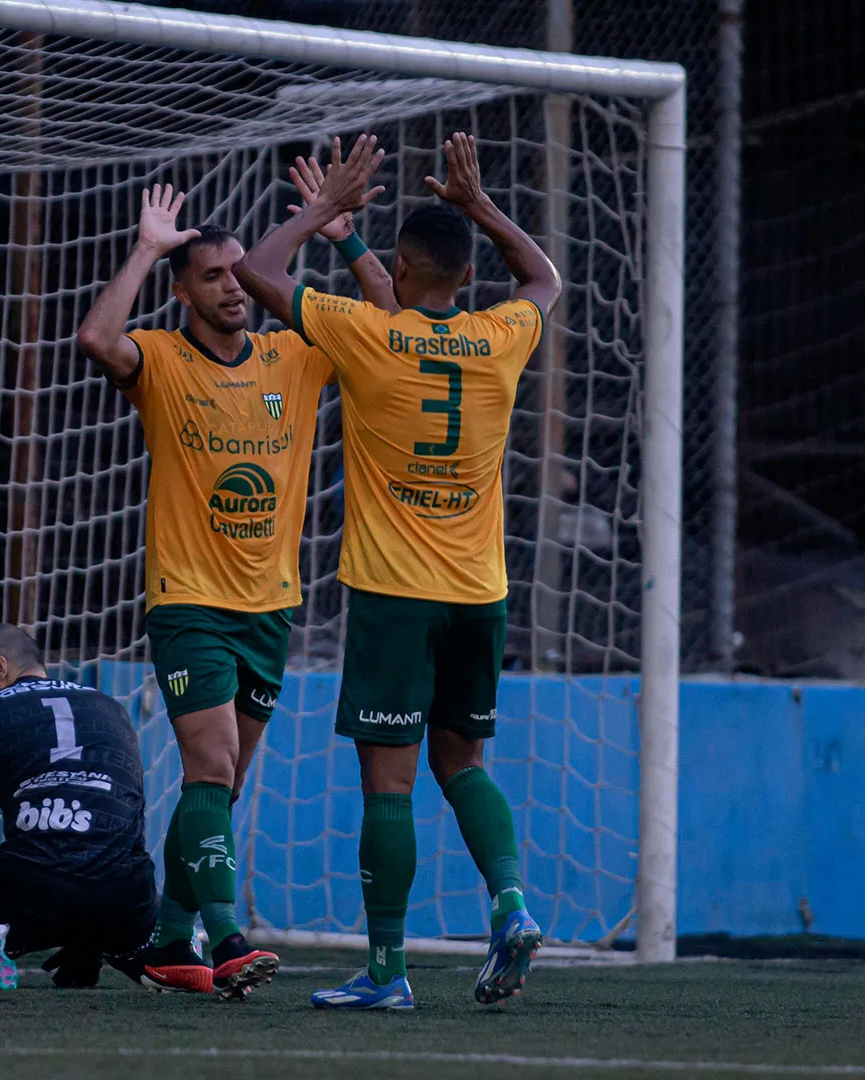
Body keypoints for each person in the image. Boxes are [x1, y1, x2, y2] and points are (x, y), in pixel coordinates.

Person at [234, 132, 563, 1010]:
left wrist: (319, 213)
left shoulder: (369, 337)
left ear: (404, 266)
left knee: (389, 784)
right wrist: (479, 206)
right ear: (461, 274)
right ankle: (513, 902)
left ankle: (387, 972)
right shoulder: (501, 337)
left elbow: (258, 270)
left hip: (393, 595)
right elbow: (544, 281)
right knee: (465, 762)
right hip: (481, 595)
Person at [73, 169, 394, 998]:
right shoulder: (164, 357)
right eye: (211, 275)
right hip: (189, 603)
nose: (232, 288)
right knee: (212, 768)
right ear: (183, 290)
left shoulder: (298, 352)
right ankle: (225, 940)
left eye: (237, 272)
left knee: (221, 785)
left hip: (270, 609)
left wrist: (345, 239)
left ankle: (167, 942)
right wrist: (148, 249)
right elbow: (99, 340)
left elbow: (390, 327)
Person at [0, 624, 156, 990]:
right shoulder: (113, 709)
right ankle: (153, 949)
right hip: (125, 895)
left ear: (0, 669)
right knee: (130, 921)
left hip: (32, 886)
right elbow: (132, 825)